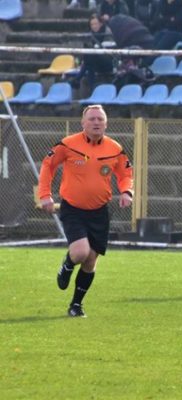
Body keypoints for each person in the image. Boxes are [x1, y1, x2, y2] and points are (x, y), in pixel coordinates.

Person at [37, 105, 133, 318]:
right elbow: (48, 166)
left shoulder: (115, 148)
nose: (96, 122)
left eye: (100, 119)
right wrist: (44, 195)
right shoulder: (68, 144)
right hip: (73, 209)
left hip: (99, 212)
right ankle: (68, 264)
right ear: (83, 123)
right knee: (80, 253)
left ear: (106, 124)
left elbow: (126, 173)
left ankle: (76, 305)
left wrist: (127, 192)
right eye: (92, 119)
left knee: (90, 260)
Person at [71, 14, 114, 89]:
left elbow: (109, 48)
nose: (94, 26)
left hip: (108, 61)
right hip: (93, 62)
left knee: (90, 56)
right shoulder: (89, 35)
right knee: (90, 59)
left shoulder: (107, 32)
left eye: (96, 24)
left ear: (101, 23)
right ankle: (91, 87)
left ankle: (78, 78)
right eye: (92, 24)